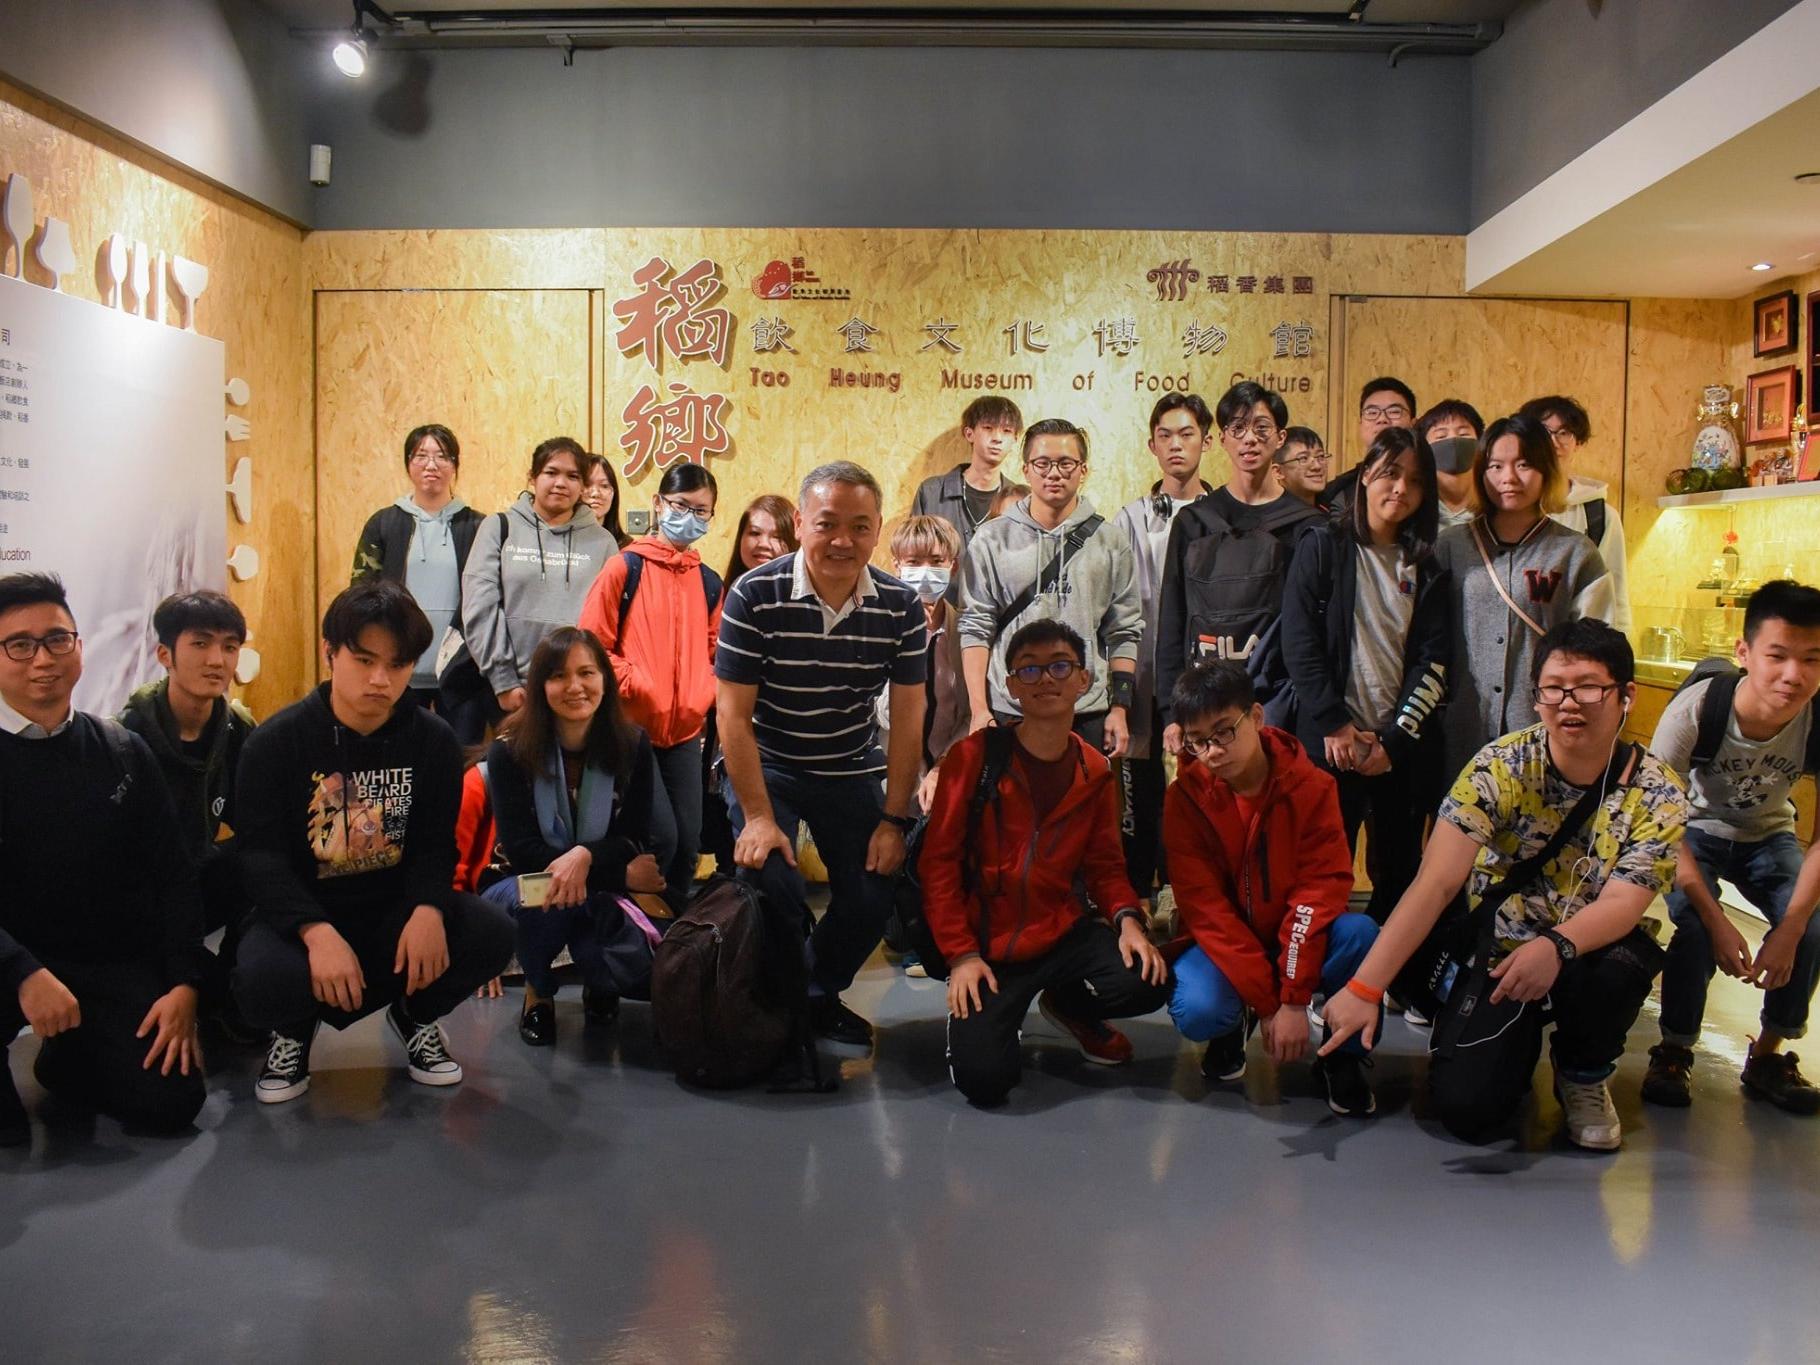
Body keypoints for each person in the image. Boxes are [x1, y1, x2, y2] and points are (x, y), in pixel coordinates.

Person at [1324, 619, 1689, 1150]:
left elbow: (1623, 903)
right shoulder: (1501, 766)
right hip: (1502, 953)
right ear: (1536, 696)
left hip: (1587, 947)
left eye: (1589, 686)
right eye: (1553, 688)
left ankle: (1584, 1074)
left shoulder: (1658, 792)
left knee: (1623, 969)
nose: (1570, 702)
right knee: (1469, 1111)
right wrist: (1364, 988)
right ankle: (1495, 1041)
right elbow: (1436, 882)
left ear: (1625, 695)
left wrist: (1557, 946)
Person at [231, 579, 514, 1104]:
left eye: (399, 664)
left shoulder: (433, 741)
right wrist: (315, 932)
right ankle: (293, 1030)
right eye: (363, 660)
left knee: (491, 932)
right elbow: (259, 857)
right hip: (306, 916)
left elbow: (434, 844)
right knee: (261, 981)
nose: (381, 680)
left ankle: (415, 1016)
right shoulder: (276, 743)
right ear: (329, 653)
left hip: (392, 912)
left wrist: (428, 908)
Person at [715, 462, 927, 1049]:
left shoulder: (900, 606)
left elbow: (909, 720)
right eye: (827, 523)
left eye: (860, 526)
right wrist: (758, 817)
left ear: (878, 529)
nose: (842, 540)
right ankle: (773, 998)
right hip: (768, 764)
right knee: (770, 882)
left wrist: (893, 818)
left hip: (848, 765)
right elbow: (732, 717)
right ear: (801, 523)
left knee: (872, 890)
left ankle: (813, 993)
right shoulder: (754, 594)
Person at [922, 620, 1169, 1105]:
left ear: (1084, 680)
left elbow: (1104, 864)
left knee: (1147, 978)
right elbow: (939, 865)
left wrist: (1127, 920)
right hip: (988, 945)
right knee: (985, 1082)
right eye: (1028, 670)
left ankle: (1068, 1003)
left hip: (1059, 934)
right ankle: (992, 1015)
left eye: (1060, 666)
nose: (1045, 680)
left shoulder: (1094, 770)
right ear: (1011, 687)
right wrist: (962, 955)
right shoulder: (974, 758)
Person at [0, 572, 206, 1141]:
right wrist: (22, 972)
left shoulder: (119, 750)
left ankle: (67, 1057)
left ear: (79, 648)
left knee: (172, 1101)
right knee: (8, 1138)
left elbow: (172, 874)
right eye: (19, 644)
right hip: (7, 963)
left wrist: (184, 986)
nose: (42, 658)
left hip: (97, 963)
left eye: (57, 639)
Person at [1164, 659, 1377, 1116]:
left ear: (1256, 718)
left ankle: (1342, 1058)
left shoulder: (1313, 786)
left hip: (1298, 935)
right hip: (1232, 944)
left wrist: (1295, 999)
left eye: (1224, 731)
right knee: (1197, 1007)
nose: (1213, 751)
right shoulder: (1183, 799)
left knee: (1361, 937)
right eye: (1198, 741)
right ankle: (1230, 1025)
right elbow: (1206, 911)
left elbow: (1320, 891)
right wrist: (1266, 1005)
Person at [1645, 580, 1820, 1113]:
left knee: (1812, 925)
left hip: (1769, 833)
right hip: (1693, 832)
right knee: (1696, 929)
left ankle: (1767, 1056)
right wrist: (1718, 918)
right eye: (1778, 656)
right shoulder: (1695, 712)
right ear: (1745, 653)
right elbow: (1659, 823)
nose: (1794, 675)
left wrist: (1788, 931)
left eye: (1812, 659)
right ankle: (1673, 1050)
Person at [1280, 427, 1449, 927]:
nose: (1400, 489)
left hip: (1396, 747)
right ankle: (1313, 977)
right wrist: (1334, 723)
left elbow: (1434, 662)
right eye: (1390, 473)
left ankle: (1383, 975)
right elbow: (1299, 641)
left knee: (1399, 869)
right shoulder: (1323, 545)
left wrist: (1394, 741)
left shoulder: (1428, 564)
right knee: (1321, 870)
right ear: (1365, 476)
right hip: (1330, 742)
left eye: (1415, 482)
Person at [484, 629, 670, 1046]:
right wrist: (615, 872)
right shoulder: (509, 750)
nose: (575, 687)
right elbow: (522, 850)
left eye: (587, 672)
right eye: (558, 676)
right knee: (546, 895)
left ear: (605, 679)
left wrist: (585, 856)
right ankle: (539, 993)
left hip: (593, 880)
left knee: (602, 946)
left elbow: (634, 835)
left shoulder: (632, 744)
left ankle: (599, 985)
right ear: (539, 687)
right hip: (519, 882)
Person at [1432, 412, 1613, 785]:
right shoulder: (1451, 546)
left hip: (1542, 733)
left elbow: (1597, 649)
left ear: (1546, 470)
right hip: (1461, 729)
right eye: (1495, 466)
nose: (1508, 478)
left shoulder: (1576, 554)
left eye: (1524, 464)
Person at [579, 462, 720, 908]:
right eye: (681, 505)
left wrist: (703, 691)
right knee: (660, 839)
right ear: (659, 504)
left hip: (684, 734)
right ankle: (641, 935)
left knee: (690, 843)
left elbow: (719, 654)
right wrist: (635, 683)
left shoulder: (709, 581)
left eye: (702, 510)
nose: (690, 517)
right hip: (631, 731)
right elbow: (591, 645)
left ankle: (678, 939)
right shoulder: (625, 568)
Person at [957, 418, 1143, 756]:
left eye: (1065, 463)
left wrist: (1120, 708)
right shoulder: (991, 540)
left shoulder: (1111, 541)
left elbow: (1124, 631)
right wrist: (979, 709)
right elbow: (975, 626)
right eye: (1042, 463)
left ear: (1083, 470)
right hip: (1010, 709)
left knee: (1084, 807)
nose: (1053, 473)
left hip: (1086, 711)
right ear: (1026, 470)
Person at [118, 590, 257, 1035]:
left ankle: (233, 989)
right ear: (165, 654)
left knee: (264, 857)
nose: (217, 659)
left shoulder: (237, 728)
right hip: (139, 903)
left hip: (197, 880)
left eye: (230, 646)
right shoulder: (125, 738)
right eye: (200, 643)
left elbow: (258, 822)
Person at [1154, 382, 1322, 754]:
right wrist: (1170, 711)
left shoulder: (1308, 525)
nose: (1250, 439)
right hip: (1203, 709)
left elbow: (1315, 631)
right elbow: (1172, 622)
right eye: (1238, 428)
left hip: (1279, 706)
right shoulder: (1194, 522)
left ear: (1280, 438)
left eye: (1261, 428)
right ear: (1224, 439)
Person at [1113, 393, 1214, 908]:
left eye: (1188, 433)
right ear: (1152, 445)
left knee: (1199, 805)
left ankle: (1190, 904)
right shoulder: (1129, 518)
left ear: (1207, 440)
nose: (1177, 445)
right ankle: (1135, 907)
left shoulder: (1222, 514)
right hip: (1146, 679)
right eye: (1166, 436)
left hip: (1204, 686)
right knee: (1139, 804)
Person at [461, 436, 618, 723]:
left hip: (577, 692)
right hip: (513, 692)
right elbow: (479, 607)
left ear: (583, 486)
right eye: (551, 472)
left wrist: (590, 684)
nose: (561, 483)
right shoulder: (499, 527)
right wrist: (503, 680)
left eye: (572, 476)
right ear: (532, 477)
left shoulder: (603, 542)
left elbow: (609, 619)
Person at [350, 423, 489, 742]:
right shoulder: (384, 523)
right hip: (396, 673)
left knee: (460, 762)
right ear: (407, 464)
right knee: (396, 758)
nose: (431, 464)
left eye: (442, 456)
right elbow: (360, 594)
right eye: (421, 455)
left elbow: (489, 598)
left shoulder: (478, 525)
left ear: (454, 465)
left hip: (460, 673)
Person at [705, 495, 800, 877]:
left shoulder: (801, 597)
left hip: (778, 745)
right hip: (717, 734)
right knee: (728, 841)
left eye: (776, 535)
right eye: (754, 532)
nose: (763, 543)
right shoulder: (719, 592)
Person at [877, 514, 970, 817]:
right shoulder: (880, 625)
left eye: (936, 561)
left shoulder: (966, 631)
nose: (925, 572)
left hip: (947, 774)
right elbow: (883, 714)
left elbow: (971, 714)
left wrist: (943, 766)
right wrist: (912, 641)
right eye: (914, 562)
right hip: (888, 777)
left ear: (953, 565)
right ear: (897, 566)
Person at [1521, 395, 1632, 636]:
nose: (1554, 441)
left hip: (1575, 652)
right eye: (1544, 431)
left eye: (1564, 433)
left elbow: (1616, 594)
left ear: (1577, 442)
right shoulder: (1508, 510)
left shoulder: (1599, 516)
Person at [910, 395, 1027, 558]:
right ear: (969, 433)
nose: (997, 438)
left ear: (1015, 439)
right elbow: (912, 556)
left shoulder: (1019, 502)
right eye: (988, 428)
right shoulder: (932, 493)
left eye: (1006, 431)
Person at [1316, 376, 1418, 512]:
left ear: (1413, 423)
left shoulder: (1430, 481)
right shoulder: (1337, 493)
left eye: (1394, 412)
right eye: (1372, 412)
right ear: (1361, 424)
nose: (1382, 419)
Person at [1415, 399, 1483, 530]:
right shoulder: (1415, 507)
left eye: (1463, 434)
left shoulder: (1495, 502)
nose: (1453, 440)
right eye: (1441, 436)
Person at [582, 453, 631, 549]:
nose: (595, 493)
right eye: (587, 484)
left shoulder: (627, 548)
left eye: (604, 486)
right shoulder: (561, 543)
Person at [1271, 425, 1329, 505]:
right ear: (1278, 472)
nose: (1317, 466)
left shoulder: (1333, 508)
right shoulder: (1272, 514)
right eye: (1303, 458)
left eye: (1320, 456)